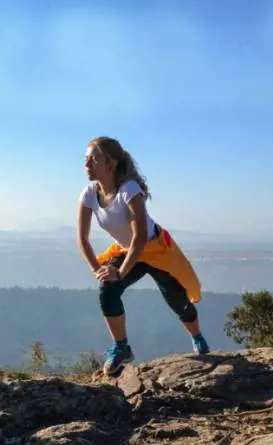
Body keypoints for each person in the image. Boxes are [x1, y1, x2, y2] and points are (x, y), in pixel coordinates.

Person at [76, 136, 210, 376]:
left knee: (177, 299)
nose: (86, 164)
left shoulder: (129, 190)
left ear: (111, 163)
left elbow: (139, 238)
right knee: (107, 288)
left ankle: (197, 338)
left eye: (93, 159)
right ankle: (121, 348)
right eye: (85, 159)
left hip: (156, 248)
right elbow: (83, 239)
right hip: (127, 250)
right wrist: (98, 269)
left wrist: (119, 272)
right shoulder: (89, 194)